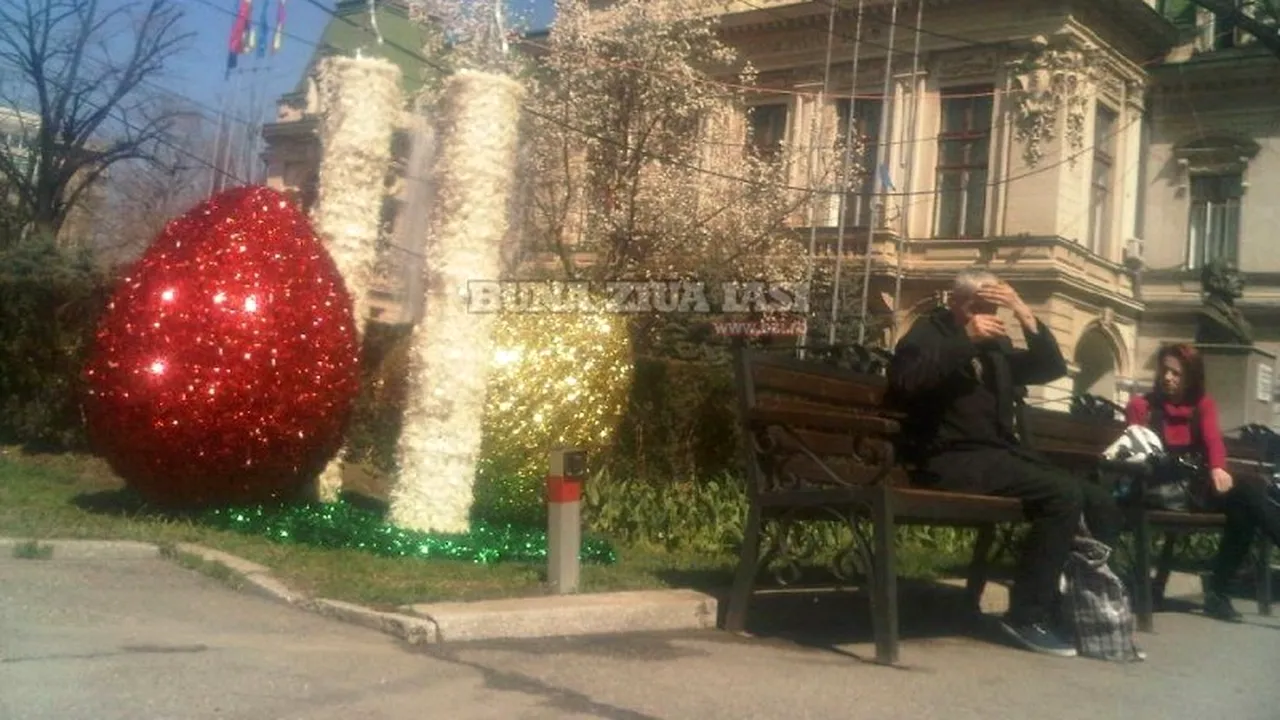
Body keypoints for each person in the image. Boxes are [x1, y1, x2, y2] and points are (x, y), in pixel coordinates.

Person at [886, 269, 1123, 657]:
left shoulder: (996, 345)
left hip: (995, 457)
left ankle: (1076, 609)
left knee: (1099, 499)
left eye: (992, 308)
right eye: (976, 307)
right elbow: (905, 382)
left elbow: (1050, 368)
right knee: (1061, 494)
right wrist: (965, 340)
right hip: (950, 459)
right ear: (954, 302)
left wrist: (1023, 312)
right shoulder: (928, 333)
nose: (985, 316)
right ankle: (1026, 616)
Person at [1124, 343, 1280, 622]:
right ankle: (1218, 593)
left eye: (1176, 373)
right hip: (1159, 490)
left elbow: (1213, 441)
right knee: (1248, 496)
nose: (1168, 377)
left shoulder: (1202, 405)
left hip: (1194, 490)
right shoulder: (1142, 406)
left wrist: (1218, 467)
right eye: (1165, 370)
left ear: (1191, 376)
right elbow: (1136, 450)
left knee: (1245, 505)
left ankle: (1218, 593)